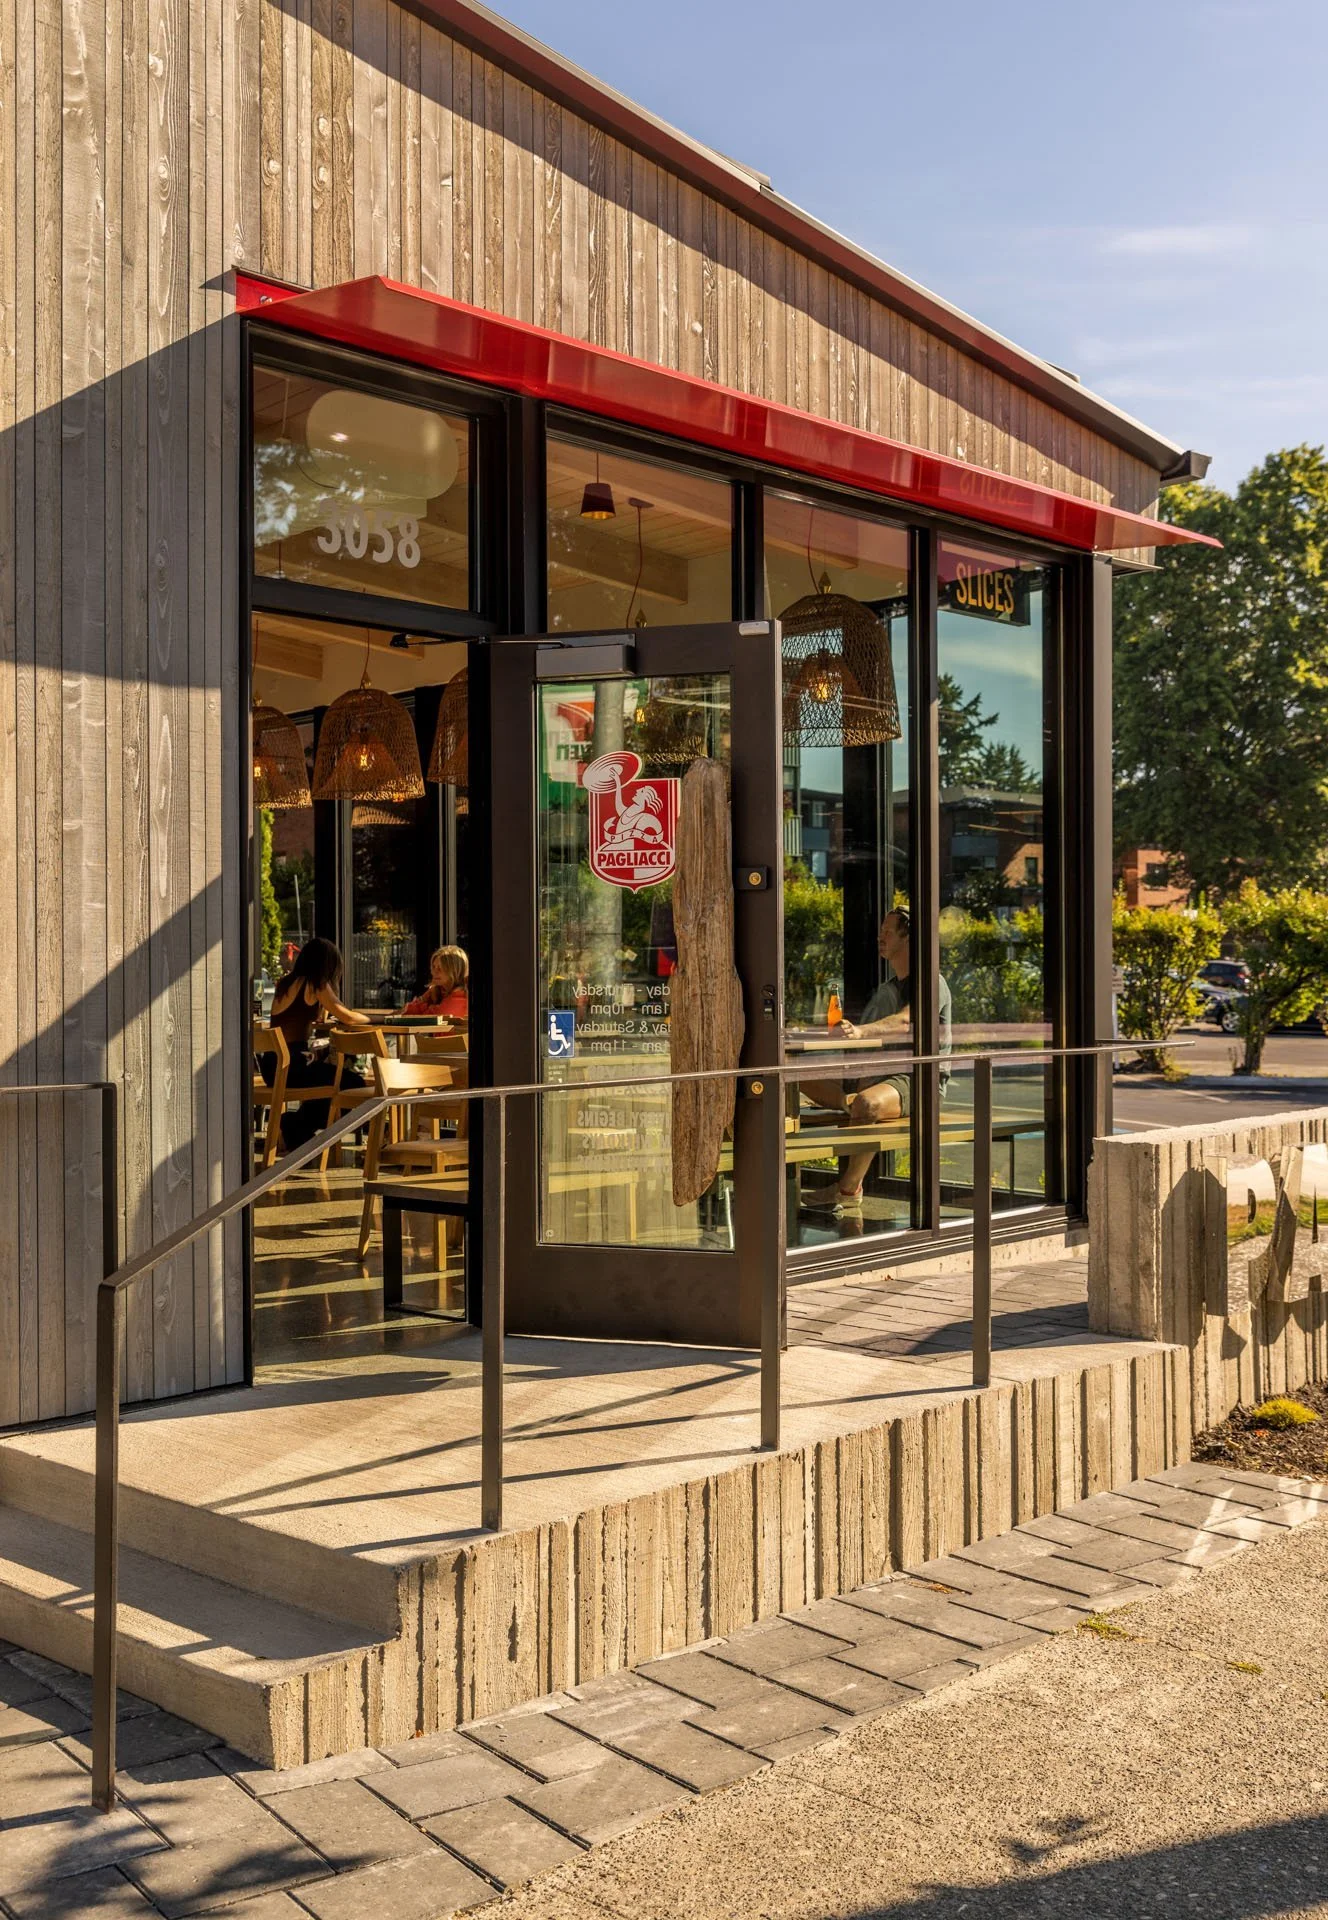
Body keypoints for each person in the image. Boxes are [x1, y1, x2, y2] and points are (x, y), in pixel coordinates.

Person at [802, 906, 951, 1215]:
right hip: (876, 1075)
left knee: (868, 1105)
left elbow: (905, 1021)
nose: (879, 938)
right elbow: (865, 1037)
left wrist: (860, 1031)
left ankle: (848, 1189)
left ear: (908, 938)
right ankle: (850, 1101)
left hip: (916, 1079)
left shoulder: (931, 981)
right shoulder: (887, 988)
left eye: (887, 933)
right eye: (880, 933)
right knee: (796, 1075)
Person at [263, 938, 371, 1151]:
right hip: (292, 1064)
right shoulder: (315, 983)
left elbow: (306, 1015)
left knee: (328, 1082)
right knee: (352, 1083)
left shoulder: (286, 983)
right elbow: (346, 1016)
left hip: (271, 1064)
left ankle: (294, 1129)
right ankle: (292, 1126)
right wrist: (372, 1019)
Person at [404, 944, 469, 1019]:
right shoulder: (437, 992)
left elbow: (429, 1020)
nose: (434, 972)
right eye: (434, 967)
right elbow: (406, 1012)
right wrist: (423, 999)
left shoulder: (460, 997)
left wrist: (424, 1003)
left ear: (454, 971)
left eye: (440, 968)